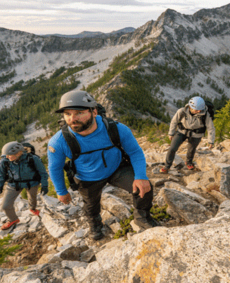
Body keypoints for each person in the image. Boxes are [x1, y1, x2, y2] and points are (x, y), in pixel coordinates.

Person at [47, 90, 158, 240]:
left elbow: (135, 152)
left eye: (79, 113)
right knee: (91, 206)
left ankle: (142, 217)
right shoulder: (59, 141)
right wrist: (61, 191)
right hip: (87, 177)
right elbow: (55, 168)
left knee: (144, 188)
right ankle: (95, 225)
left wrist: (140, 176)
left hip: (116, 168)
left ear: (94, 111)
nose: (73, 119)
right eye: (67, 114)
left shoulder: (116, 129)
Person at [0, 141, 49, 230]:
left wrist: (45, 185)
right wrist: (0, 185)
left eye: (9, 155)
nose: (6, 157)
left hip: (31, 182)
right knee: (5, 205)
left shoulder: (33, 159)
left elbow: (43, 173)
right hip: (14, 183)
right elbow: (1, 174)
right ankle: (13, 219)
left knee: (32, 198)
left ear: (18, 153)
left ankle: (32, 208)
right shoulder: (5, 161)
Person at [161, 96, 215, 173]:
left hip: (196, 134)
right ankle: (167, 166)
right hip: (181, 131)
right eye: (196, 110)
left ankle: (189, 162)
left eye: (200, 109)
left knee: (191, 149)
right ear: (190, 107)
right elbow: (174, 122)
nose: (199, 111)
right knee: (172, 148)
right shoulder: (182, 111)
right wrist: (171, 133)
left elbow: (211, 128)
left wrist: (210, 141)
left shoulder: (205, 114)